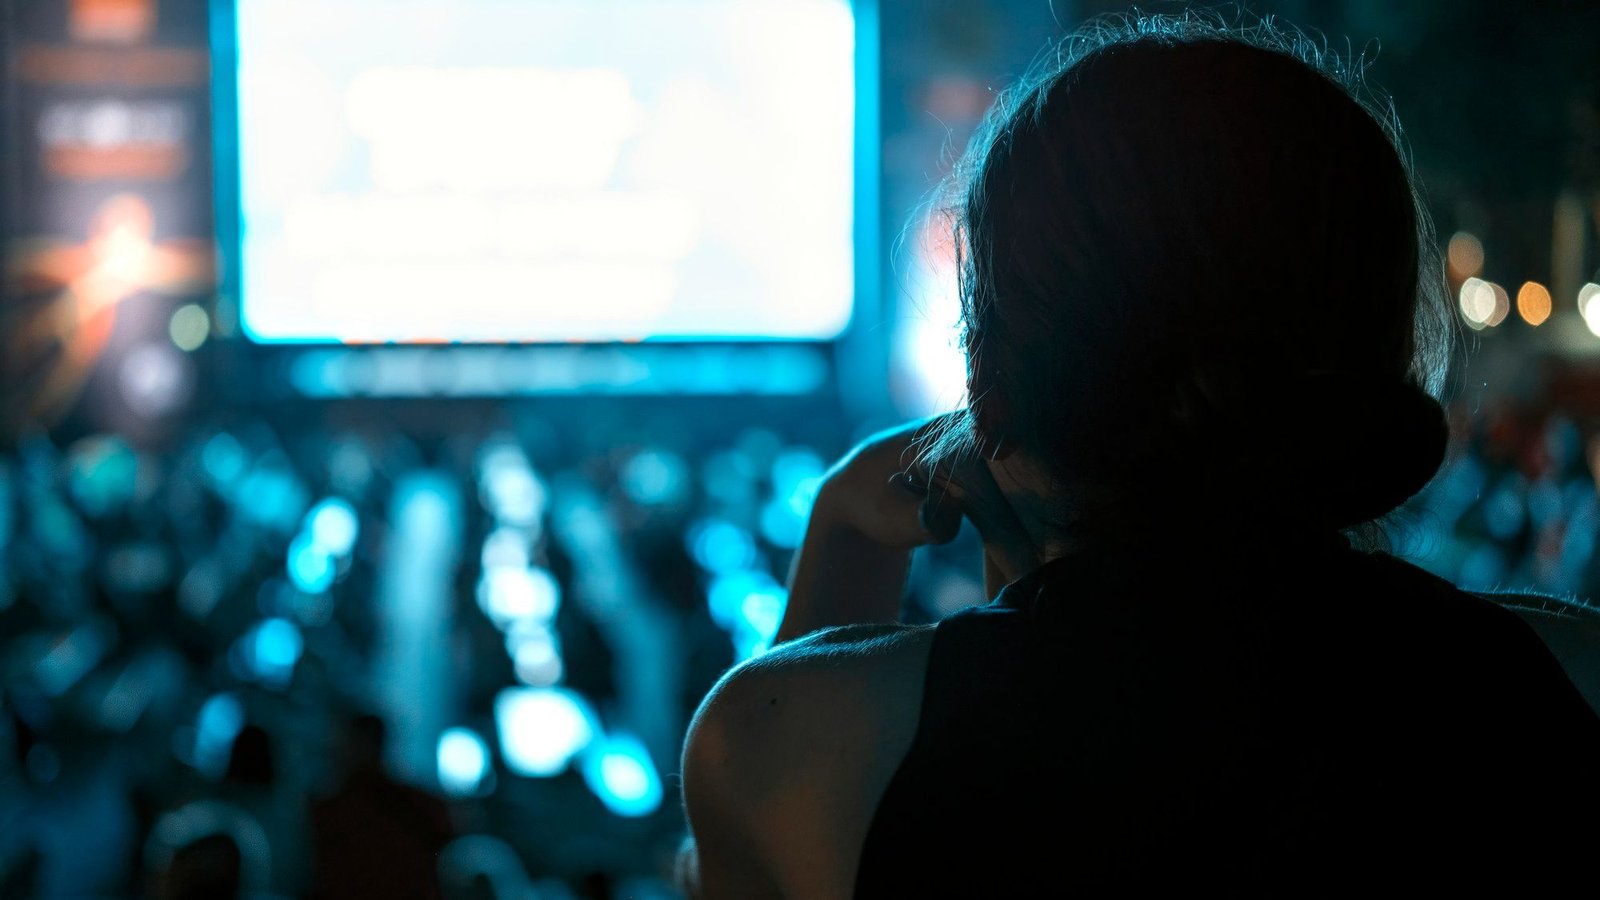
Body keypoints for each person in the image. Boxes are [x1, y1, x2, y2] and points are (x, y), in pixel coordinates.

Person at [675, 13, 1600, 898]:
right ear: (1383, 348)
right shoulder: (1568, 679)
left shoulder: (788, 742)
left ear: (988, 385)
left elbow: (736, 862)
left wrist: (845, 533)